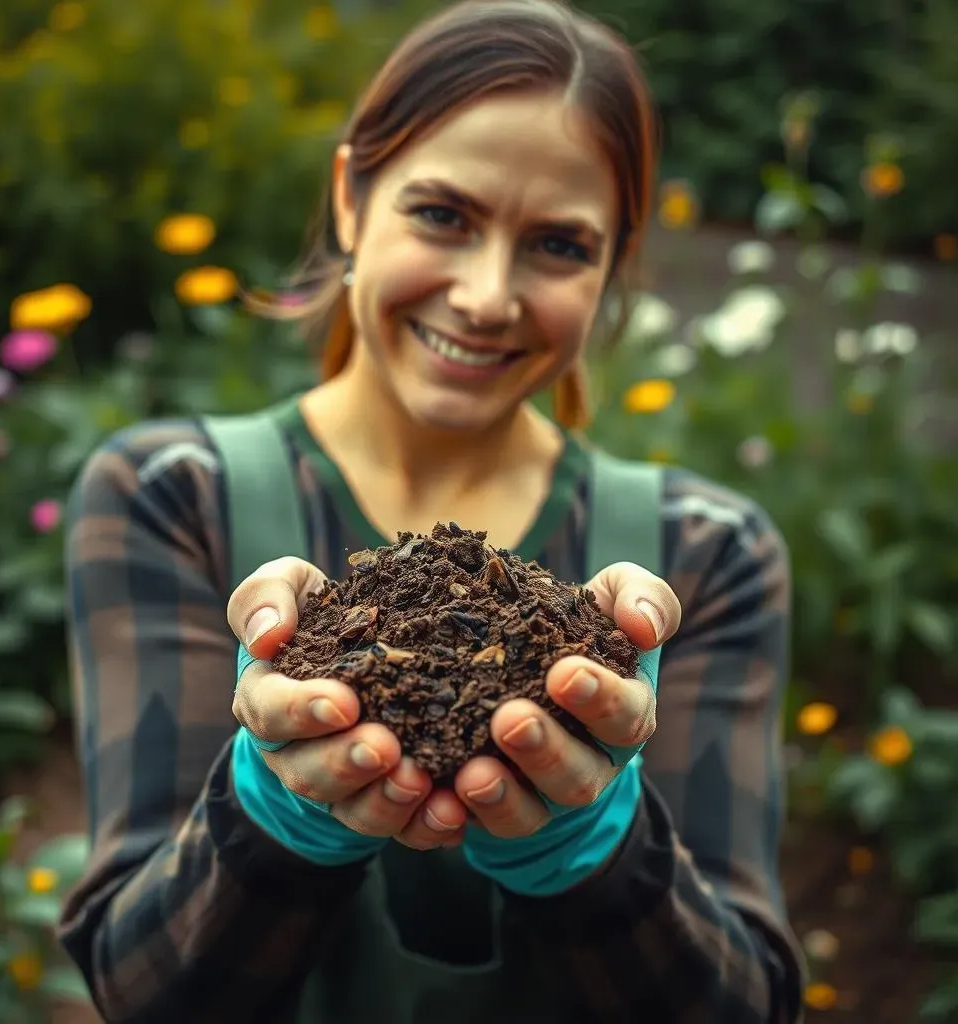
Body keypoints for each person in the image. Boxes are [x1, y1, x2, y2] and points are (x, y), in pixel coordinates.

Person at [59, 1, 805, 1021]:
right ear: (351, 198)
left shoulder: (705, 555)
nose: (487, 296)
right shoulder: (171, 494)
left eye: (556, 245)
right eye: (442, 215)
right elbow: (145, 991)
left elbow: (740, 1007)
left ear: (608, 270)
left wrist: (596, 847)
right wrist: (273, 813)